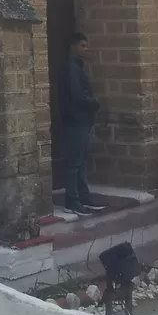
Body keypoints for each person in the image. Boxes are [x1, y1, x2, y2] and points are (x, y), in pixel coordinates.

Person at [59, 31, 106, 215]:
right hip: (75, 121)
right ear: (72, 46)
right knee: (74, 163)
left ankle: (83, 197)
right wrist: (94, 102)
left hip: (82, 121)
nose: (86, 49)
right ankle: (72, 200)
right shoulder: (71, 67)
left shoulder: (77, 66)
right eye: (82, 46)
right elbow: (77, 95)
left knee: (81, 162)